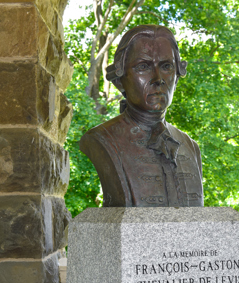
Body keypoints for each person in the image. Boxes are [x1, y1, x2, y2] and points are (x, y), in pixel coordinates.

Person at [79, 25, 204, 207]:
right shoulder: (101, 139)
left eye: (166, 66)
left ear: (176, 77)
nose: (158, 79)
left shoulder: (190, 147)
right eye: (143, 67)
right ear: (120, 81)